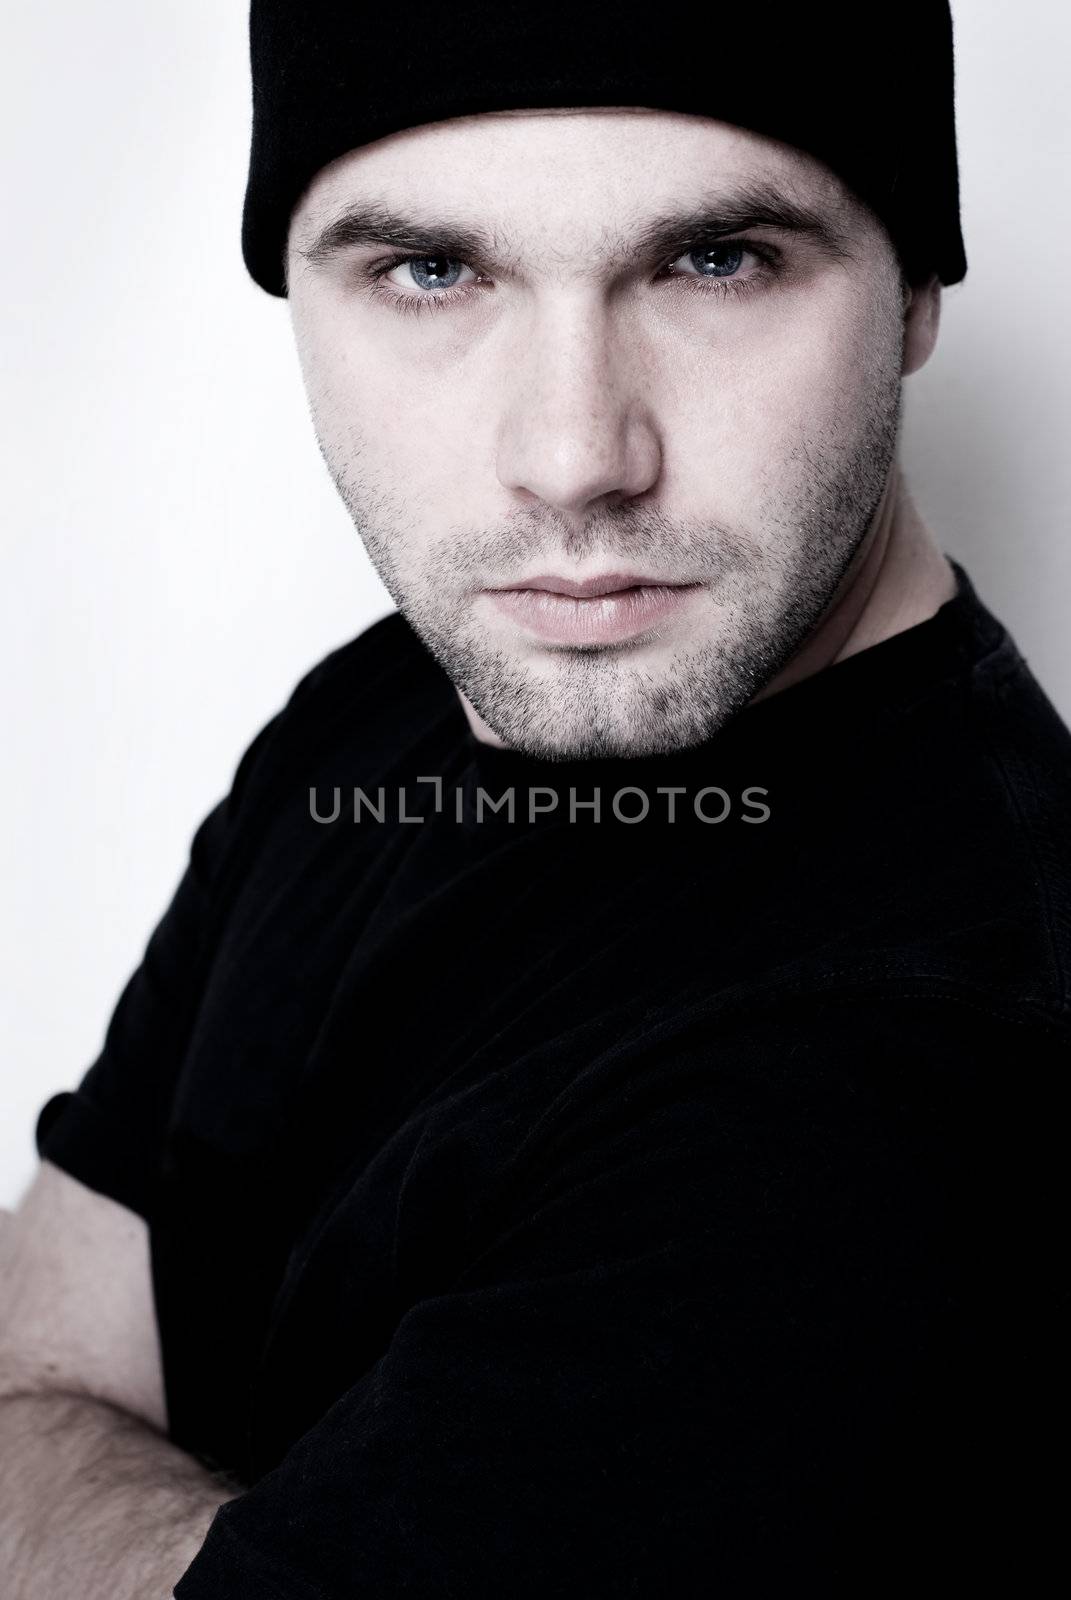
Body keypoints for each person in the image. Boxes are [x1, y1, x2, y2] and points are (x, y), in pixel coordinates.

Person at [2, 1, 1068, 1592]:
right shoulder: (376, 709)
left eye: (716, 260)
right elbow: (33, 1362)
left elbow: (40, 1419)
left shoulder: (913, 1062)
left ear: (914, 288)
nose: (574, 458)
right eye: (432, 272)